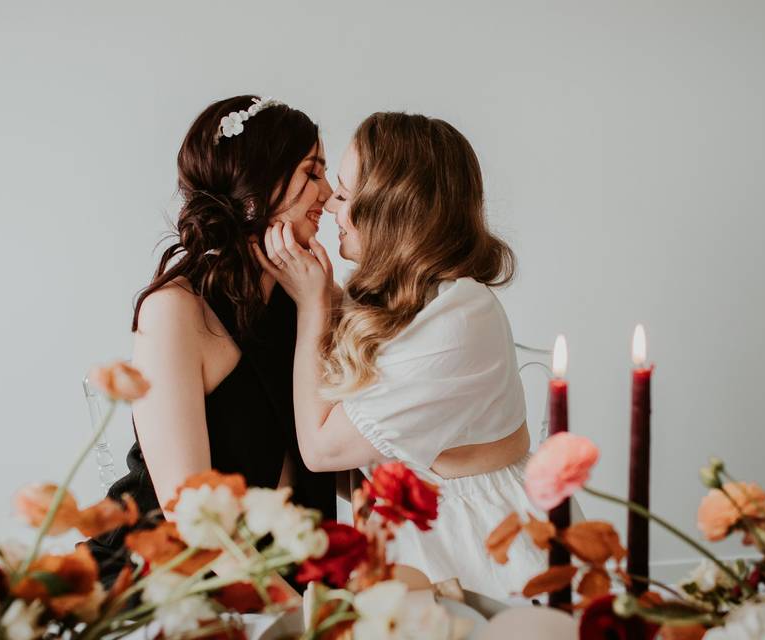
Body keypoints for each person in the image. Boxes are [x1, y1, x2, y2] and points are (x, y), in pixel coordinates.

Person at [253, 112, 547, 598]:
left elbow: (322, 449)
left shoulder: (459, 319)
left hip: (481, 551)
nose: (331, 208)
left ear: (393, 212)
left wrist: (312, 308)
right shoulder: (396, 301)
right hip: (415, 540)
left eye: (346, 195)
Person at [89, 95, 336, 585]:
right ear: (259, 186)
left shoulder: (312, 296)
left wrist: (317, 309)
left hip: (288, 574)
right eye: (312, 173)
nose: (328, 191)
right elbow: (191, 523)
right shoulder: (175, 311)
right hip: (174, 571)